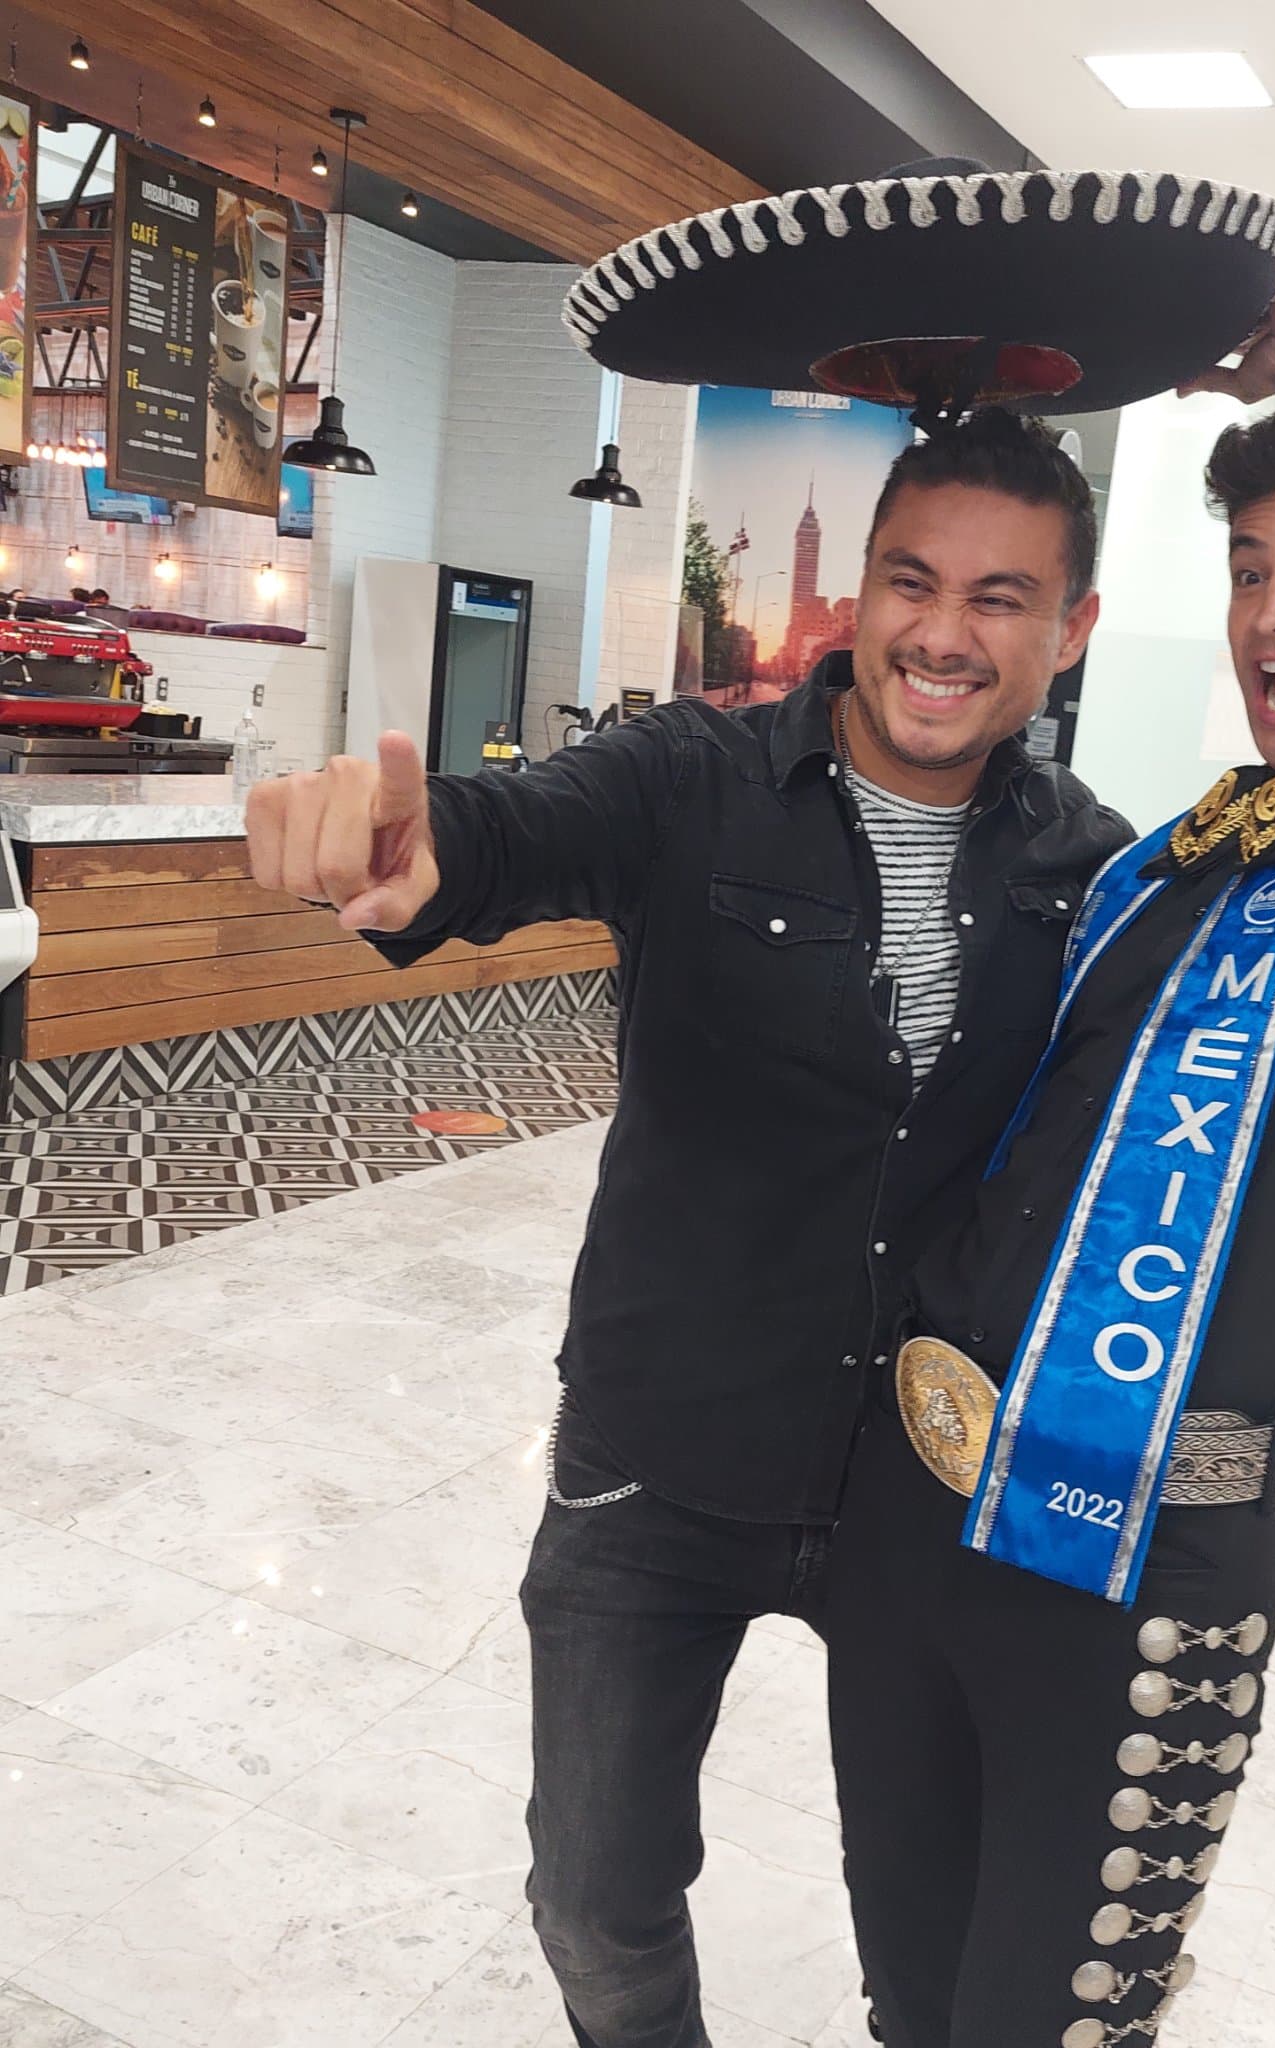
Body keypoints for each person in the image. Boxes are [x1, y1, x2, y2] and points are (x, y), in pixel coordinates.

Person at [244, 409, 1127, 2048]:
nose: (943, 633)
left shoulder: (1093, 868)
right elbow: (514, 830)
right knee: (595, 1897)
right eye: (911, 581)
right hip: (660, 1452)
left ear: (1069, 629)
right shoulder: (690, 779)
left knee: (935, 1926)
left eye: (1000, 597)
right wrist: (415, 845)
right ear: (859, 590)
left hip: (920, 1479)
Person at [825, 265, 1275, 2047]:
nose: (1274, 607)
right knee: (909, 2007)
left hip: (1138, 1565)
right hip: (914, 1519)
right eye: (1248, 567)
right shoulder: (1182, 858)